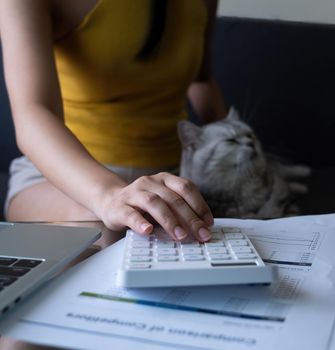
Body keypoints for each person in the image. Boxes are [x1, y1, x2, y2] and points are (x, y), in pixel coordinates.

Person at [0, 0, 227, 242]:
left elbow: (202, 81)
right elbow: (33, 111)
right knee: (102, 229)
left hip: (173, 179)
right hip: (66, 180)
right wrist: (109, 196)